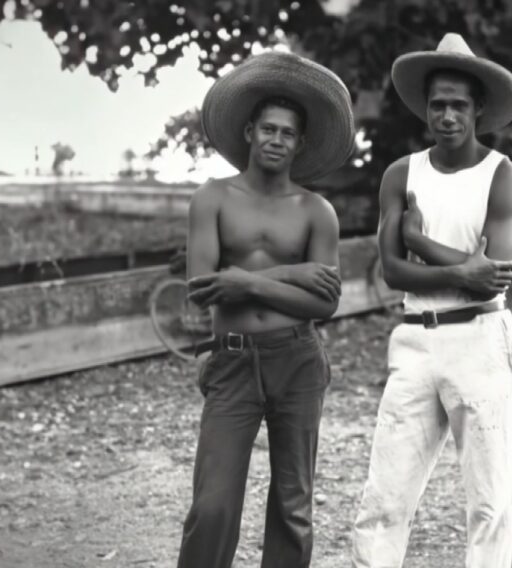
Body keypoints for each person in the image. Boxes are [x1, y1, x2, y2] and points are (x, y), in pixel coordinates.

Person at [351, 33, 512, 567]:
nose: (447, 116)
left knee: (490, 501)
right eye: (437, 105)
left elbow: (490, 279)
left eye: (458, 105)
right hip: (416, 339)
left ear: (478, 109)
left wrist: (421, 242)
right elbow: (391, 272)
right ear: (425, 108)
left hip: (481, 340)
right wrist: (456, 268)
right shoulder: (402, 174)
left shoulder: (503, 176)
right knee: (385, 496)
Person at [175, 50, 355, 568]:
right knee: (212, 505)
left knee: (293, 506)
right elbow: (203, 289)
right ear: (250, 132)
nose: (277, 140)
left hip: (297, 362)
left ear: (300, 144)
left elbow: (325, 301)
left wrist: (249, 281)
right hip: (232, 361)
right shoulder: (212, 198)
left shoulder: (316, 211)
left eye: (288, 133)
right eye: (269, 129)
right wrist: (290, 275)